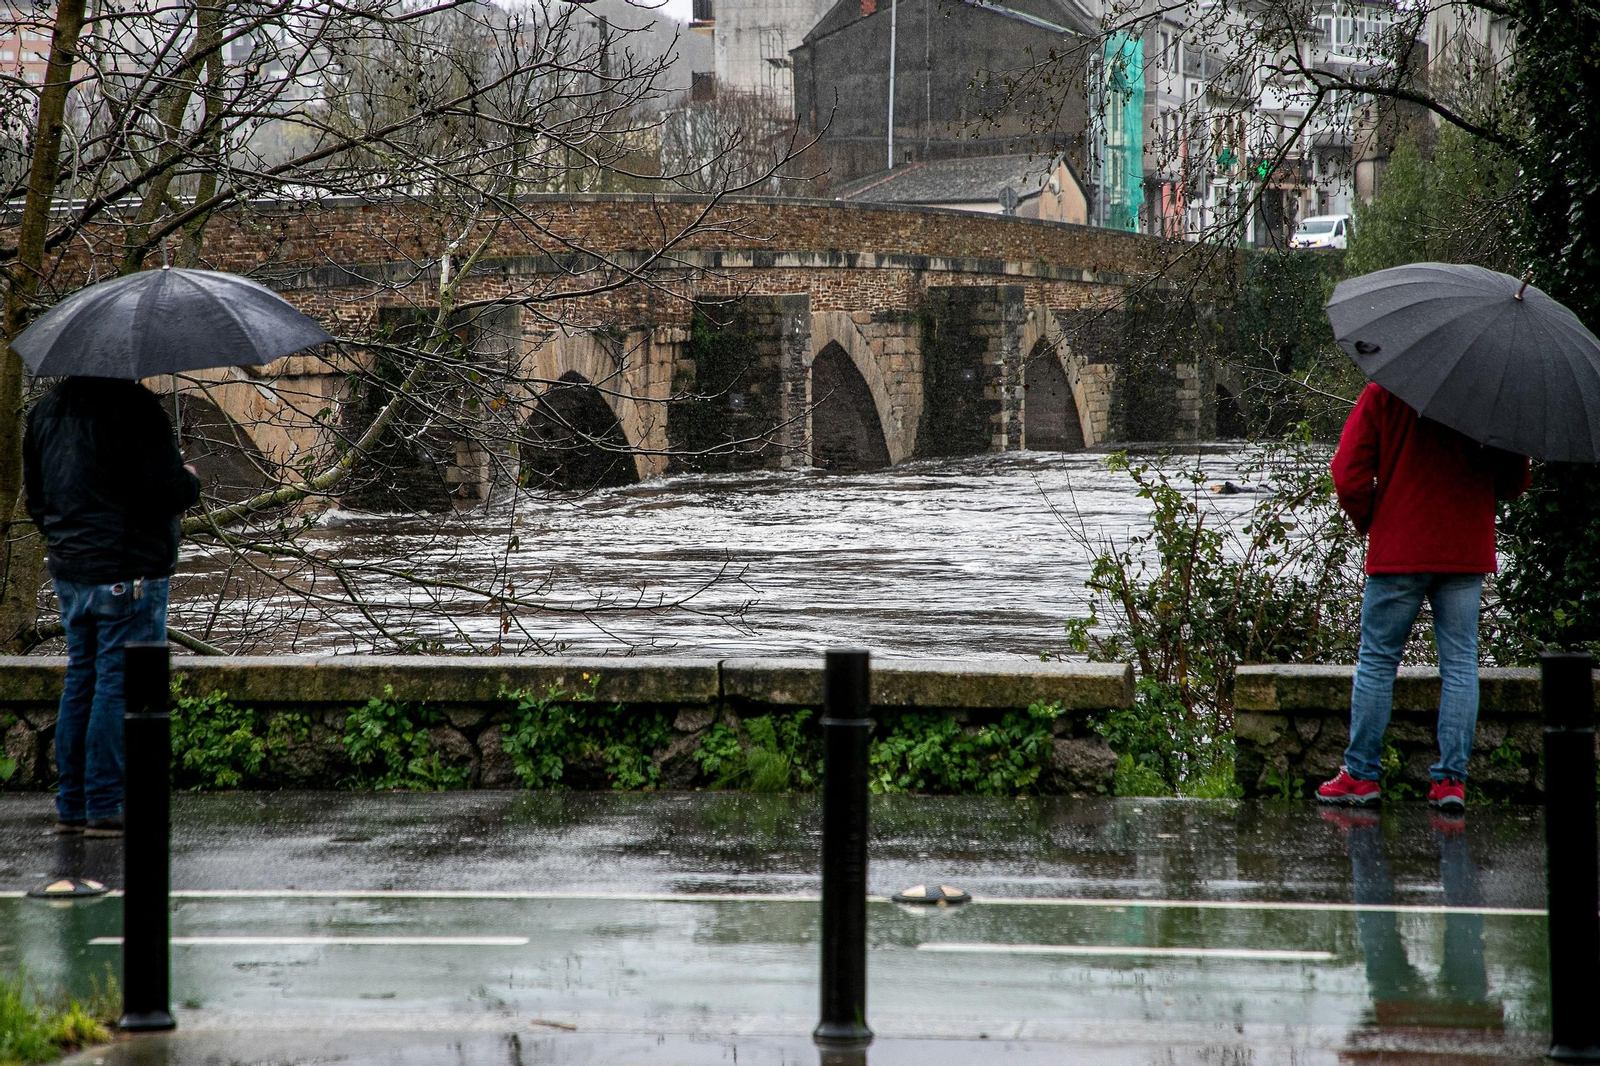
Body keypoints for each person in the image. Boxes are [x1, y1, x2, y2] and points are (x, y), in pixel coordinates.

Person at [1317, 382, 1529, 812]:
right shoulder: (1491, 395)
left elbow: (1348, 473)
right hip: (1464, 550)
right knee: (1460, 665)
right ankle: (1451, 781)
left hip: (1400, 548)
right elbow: (1512, 481)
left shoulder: (1385, 391)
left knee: (1377, 661)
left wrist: (1374, 520)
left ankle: (1361, 776)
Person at [23, 377, 200, 837]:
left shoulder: (47, 409)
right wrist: (189, 479)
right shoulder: (136, 408)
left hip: (71, 568)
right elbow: (164, 490)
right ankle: (105, 804)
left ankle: (73, 806)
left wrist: (68, 539)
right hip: (128, 569)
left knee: (81, 678)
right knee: (117, 683)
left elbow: (37, 500)